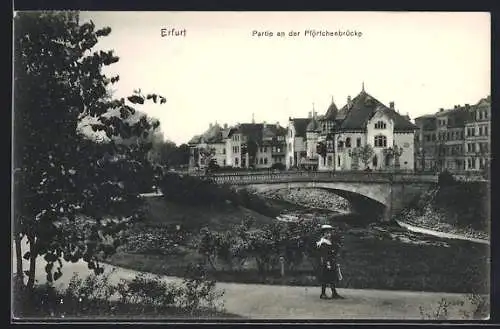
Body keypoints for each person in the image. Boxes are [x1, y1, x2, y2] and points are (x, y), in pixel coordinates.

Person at [316, 224, 343, 299]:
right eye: (327, 233)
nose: (329, 234)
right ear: (323, 234)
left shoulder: (329, 242)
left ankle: (334, 293)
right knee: (325, 278)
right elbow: (324, 255)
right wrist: (327, 263)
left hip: (331, 261)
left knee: (332, 278)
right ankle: (323, 293)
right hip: (326, 263)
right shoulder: (323, 243)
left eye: (329, 233)